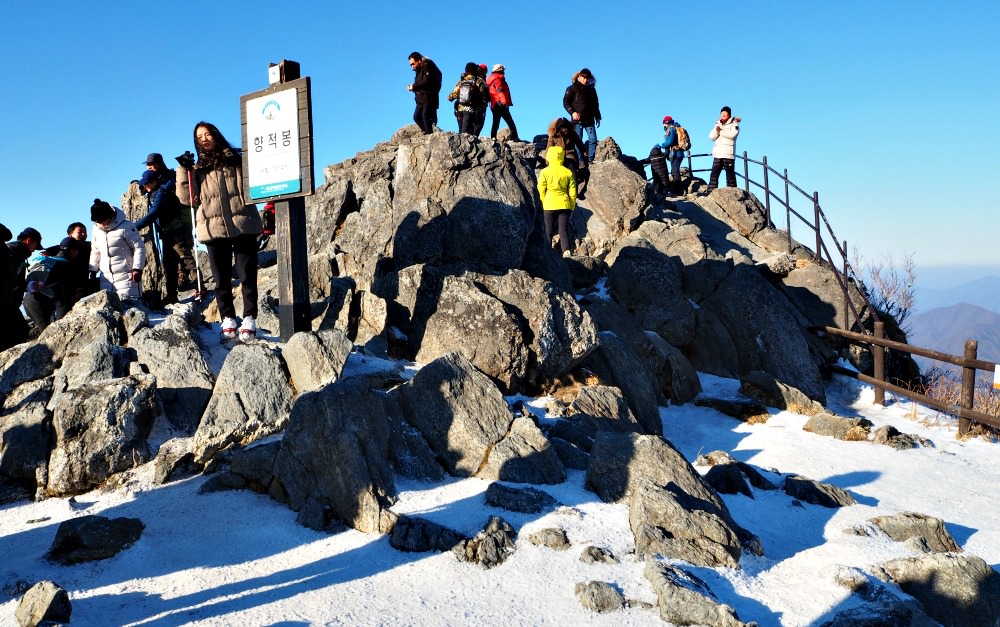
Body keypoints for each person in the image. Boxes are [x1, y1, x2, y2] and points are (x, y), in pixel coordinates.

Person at [181, 121, 263, 341]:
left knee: (247, 274)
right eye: (200, 137)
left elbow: (254, 182)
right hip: (213, 226)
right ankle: (228, 317)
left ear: (216, 135)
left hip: (243, 221)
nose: (205, 138)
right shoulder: (196, 170)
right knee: (221, 278)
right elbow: (187, 198)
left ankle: (250, 317)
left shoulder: (236, 159)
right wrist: (184, 170)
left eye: (208, 134)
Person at [135, 169, 197, 305]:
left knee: (185, 257)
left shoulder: (161, 194)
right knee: (169, 264)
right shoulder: (154, 193)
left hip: (175, 231)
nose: (145, 186)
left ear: (154, 182)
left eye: (146, 184)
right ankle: (171, 294)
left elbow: (154, 213)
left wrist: (135, 227)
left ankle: (199, 286)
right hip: (167, 233)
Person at [145, 153, 198, 289]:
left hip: (176, 223)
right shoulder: (156, 178)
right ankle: (173, 291)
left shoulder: (168, 178)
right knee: (171, 258)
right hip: (167, 226)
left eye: (151, 164)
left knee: (184, 253)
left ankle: (195, 282)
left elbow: (157, 208)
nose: (149, 167)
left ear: (157, 164)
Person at [22, 237, 85, 332]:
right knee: (52, 333)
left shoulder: (50, 260)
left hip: (27, 300)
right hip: (39, 302)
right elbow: (64, 299)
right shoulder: (68, 266)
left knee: (46, 332)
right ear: (72, 251)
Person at [90, 199, 146, 300]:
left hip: (127, 275)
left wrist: (137, 268)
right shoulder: (96, 229)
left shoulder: (126, 226)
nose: (100, 223)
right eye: (97, 221)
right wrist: (93, 269)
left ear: (109, 216)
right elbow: (95, 250)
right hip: (106, 278)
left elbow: (139, 248)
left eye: (102, 220)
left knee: (130, 306)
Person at [536, 146, 577, 256]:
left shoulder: (545, 172)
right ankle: (566, 252)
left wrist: (543, 202)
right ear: (561, 157)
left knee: (548, 231)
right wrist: (572, 206)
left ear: (549, 156)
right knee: (563, 230)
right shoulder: (568, 172)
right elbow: (573, 191)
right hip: (564, 204)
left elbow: (541, 189)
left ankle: (547, 253)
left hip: (549, 204)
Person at [4, 227, 42, 346]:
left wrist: (27, 285)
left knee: (21, 331)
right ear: (29, 240)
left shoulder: (19, 253)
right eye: (36, 245)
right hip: (6, 303)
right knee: (17, 333)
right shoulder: (12, 251)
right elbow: (7, 278)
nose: (35, 249)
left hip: (11, 303)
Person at [563, 68, 601, 164]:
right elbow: (565, 102)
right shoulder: (572, 88)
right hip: (577, 120)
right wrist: (573, 112)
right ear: (579, 76)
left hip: (589, 119)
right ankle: (580, 160)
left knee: (593, 139)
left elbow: (595, 104)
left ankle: (590, 159)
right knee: (578, 140)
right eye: (583, 77)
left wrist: (597, 116)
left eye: (587, 78)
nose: (585, 80)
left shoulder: (592, 90)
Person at [547, 117, 589, 199]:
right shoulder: (553, 136)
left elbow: (581, 145)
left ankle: (574, 194)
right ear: (558, 128)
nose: (565, 130)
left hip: (570, 156)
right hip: (557, 158)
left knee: (572, 173)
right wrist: (547, 161)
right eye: (562, 128)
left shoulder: (573, 134)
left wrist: (585, 156)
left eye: (566, 127)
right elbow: (549, 149)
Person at [447, 62, 489, 136]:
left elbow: (452, 95)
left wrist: (450, 98)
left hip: (460, 109)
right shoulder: (479, 81)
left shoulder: (461, 81)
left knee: (461, 131)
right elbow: (484, 96)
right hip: (472, 110)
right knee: (470, 133)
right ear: (476, 70)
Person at [706, 106, 741, 191]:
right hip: (718, 153)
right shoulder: (718, 123)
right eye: (721, 113)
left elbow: (732, 135)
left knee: (730, 175)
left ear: (729, 114)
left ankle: (733, 192)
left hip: (728, 154)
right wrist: (717, 130)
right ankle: (711, 191)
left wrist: (721, 131)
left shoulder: (734, 124)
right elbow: (711, 137)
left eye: (724, 113)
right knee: (714, 174)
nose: (722, 115)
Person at [407, 52, 443, 135]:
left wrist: (414, 86)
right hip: (420, 99)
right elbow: (421, 83)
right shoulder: (418, 70)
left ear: (419, 60)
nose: (412, 66)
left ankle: (429, 133)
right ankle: (428, 132)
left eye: (413, 63)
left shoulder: (428, 67)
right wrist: (413, 87)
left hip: (428, 97)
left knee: (425, 115)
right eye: (410, 65)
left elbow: (426, 81)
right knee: (416, 117)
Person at [486, 64, 519, 141]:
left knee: (495, 122)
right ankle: (515, 137)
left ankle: (493, 138)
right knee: (510, 121)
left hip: (494, 104)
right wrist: (504, 102)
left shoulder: (492, 79)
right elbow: (500, 90)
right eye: (502, 70)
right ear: (500, 70)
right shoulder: (498, 79)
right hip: (500, 104)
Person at [658, 116, 687, 195]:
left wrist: (661, 145)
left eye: (664, 123)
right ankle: (679, 189)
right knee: (674, 171)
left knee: (674, 171)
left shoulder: (670, 129)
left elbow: (669, 142)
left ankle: (680, 190)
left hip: (675, 153)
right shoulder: (677, 127)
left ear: (666, 123)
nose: (663, 125)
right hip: (679, 153)